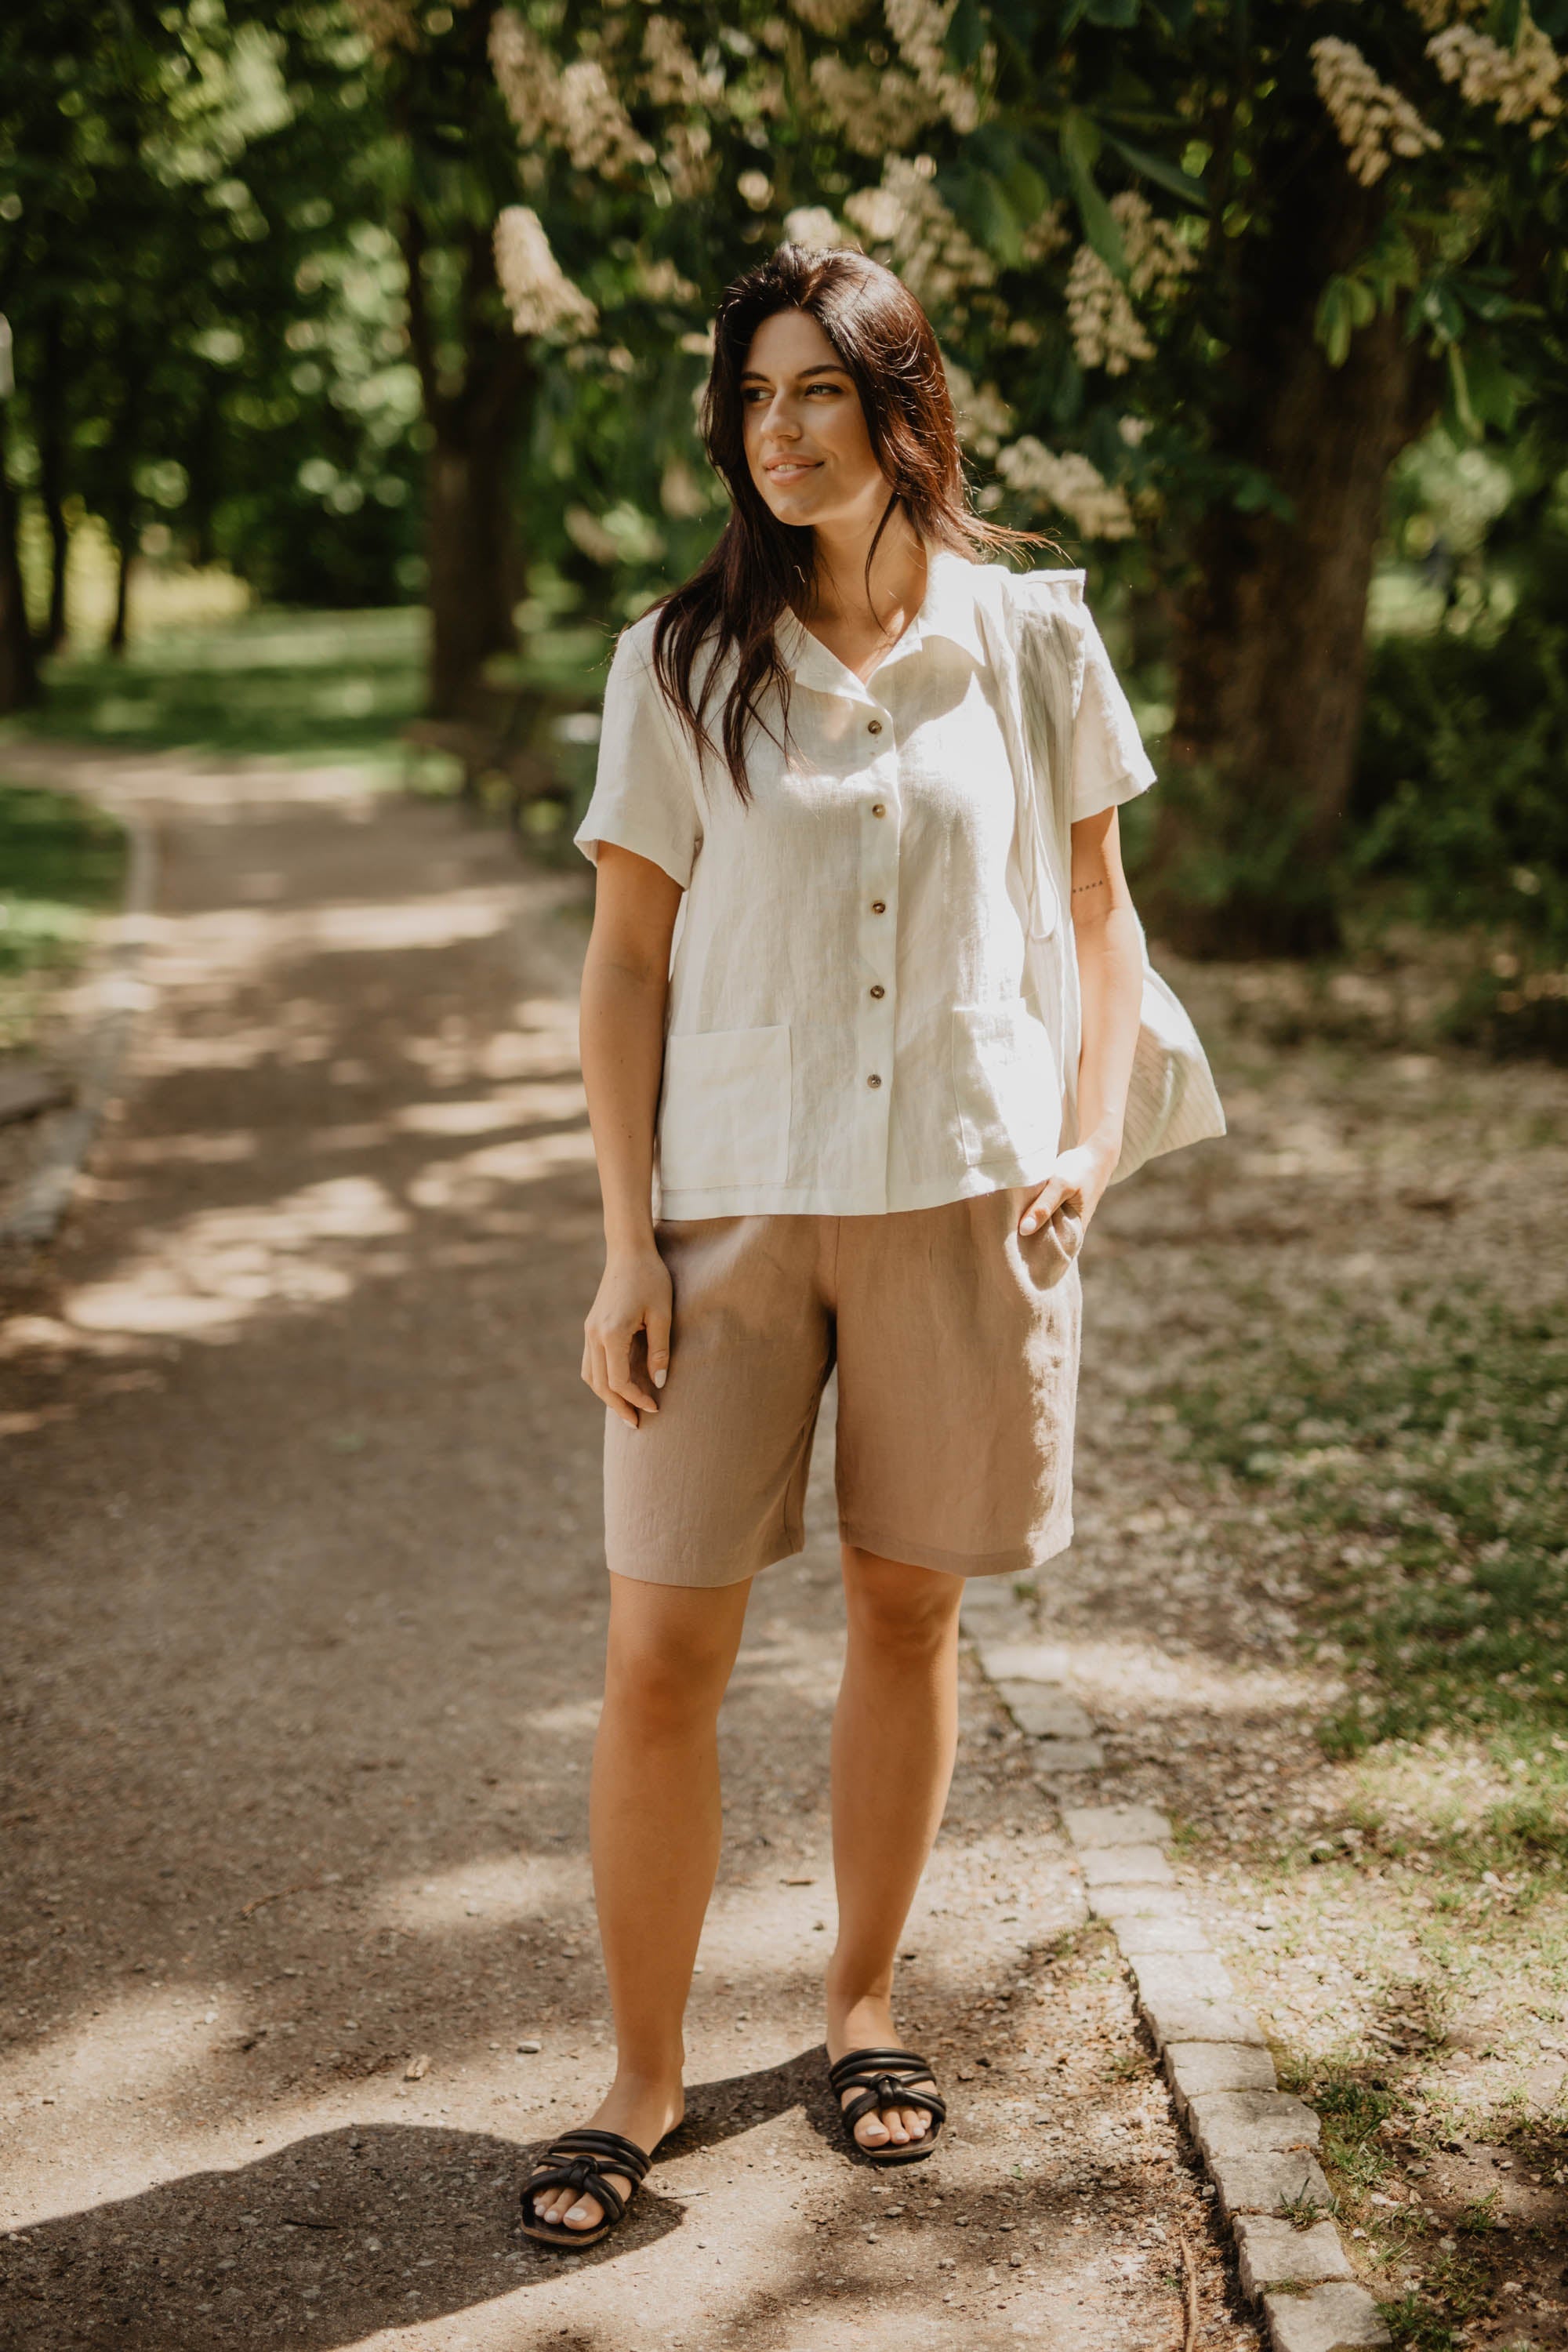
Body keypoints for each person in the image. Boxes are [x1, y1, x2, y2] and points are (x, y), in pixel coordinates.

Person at [519, 241, 1221, 2249]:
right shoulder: (676, 657)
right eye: (751, 398)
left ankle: (858, 2009)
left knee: (909, 1618)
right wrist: (622, 1247)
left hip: (964, 1196)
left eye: (818, 391)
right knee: (664, 1644)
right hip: (723, 1211)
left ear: (904, 403)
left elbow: (1097, 919)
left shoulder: (1028, 639)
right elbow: (625, 961)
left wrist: (1085, 1148)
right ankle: (640, 2075)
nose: (778, 433)